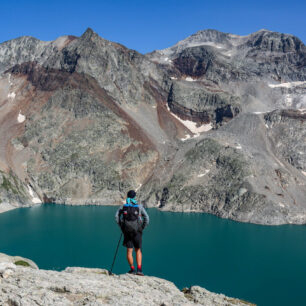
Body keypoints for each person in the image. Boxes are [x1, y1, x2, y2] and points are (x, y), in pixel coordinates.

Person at [115, 190, 149, 275]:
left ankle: (132, 269)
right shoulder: (139, 206)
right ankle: (139, 270)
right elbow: (147, 219)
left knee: (129, 251)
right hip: (137, 231)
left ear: (127, 196)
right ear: (134, 197)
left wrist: (122, 227)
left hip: (127, 231)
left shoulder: (123, 207)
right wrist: (142, 228)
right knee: (138, 250)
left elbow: (116, 217)